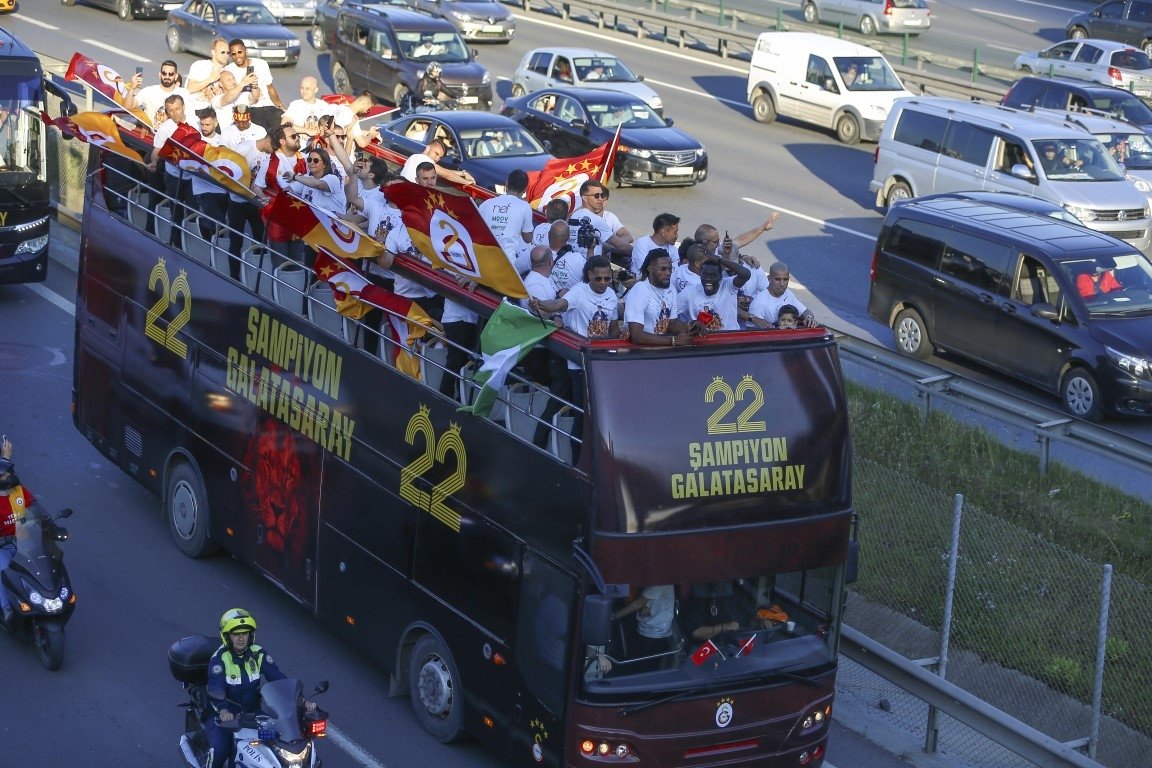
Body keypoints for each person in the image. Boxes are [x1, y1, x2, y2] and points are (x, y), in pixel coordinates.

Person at [528, 257, 620, 463]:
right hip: (574, 364)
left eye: (608, 278)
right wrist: (541, 304)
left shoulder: (612, 295)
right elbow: (557, 304)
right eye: (599, 278)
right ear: (589, 276)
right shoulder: (579, 291)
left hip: (598, 364)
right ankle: (565, 457)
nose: (604, 282)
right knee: (580, 414)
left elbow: (612, 329)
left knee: (593, 416)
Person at [204, 608, 313, 768]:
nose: (241, 638)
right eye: (236, 634)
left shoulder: (258, 654)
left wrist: (300, 701)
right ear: (228, 636)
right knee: (220, 750)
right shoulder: (220, 660)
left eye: (245, 633)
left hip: (253, 716)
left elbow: (278, 679)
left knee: (279, 739)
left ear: (251, 635)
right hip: (224, 719)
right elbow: (215, 688)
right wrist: (223, 710)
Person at [148, 94, 196, 247]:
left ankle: (192, 245)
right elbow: (157, 150)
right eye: (171, 110)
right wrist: (154, 162)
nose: (175, 113)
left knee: (192, 212)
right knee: (175, 211)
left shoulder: (196, 122)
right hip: (173, 176)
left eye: (177, 109)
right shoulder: (165, 128)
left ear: (183, 107)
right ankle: (175, 243)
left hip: (193, 178)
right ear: (167, 112)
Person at [623, 250, 693, 346]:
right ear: (650, 269)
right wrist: (672, 341)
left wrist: (690, 326)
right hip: (642, 352)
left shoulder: (671, 289)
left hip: (662, 349)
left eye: (670, 269)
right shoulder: (640, 290)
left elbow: (671, 324)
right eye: (662, 269)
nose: (668, 273)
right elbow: (636, 336)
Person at [677, 251, 751, 333]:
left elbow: (746, 274)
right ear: (700, 275)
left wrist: (719, 259)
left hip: (730, 340)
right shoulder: (689, 292)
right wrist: (690, 324)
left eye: (713, 275)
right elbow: (672, 317)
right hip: (702, 341)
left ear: (721, 277)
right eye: (705, 275)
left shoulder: (728, 286)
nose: (708, 279)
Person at [224, 40, 285, 135]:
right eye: (233, 54)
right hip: (250, 109)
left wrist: (280, 106)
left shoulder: (261, 64)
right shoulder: (229, 70)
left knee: (283, 129)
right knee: (265, 134)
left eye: (240, 52)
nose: (237, 56)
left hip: (268, 106)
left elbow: (270, 88)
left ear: (246, 51)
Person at [611, 585, 677, 671]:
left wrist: (613, 616)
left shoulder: (661, 583)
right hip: (645, 627)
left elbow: (639, 603)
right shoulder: (651, 580)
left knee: (647, 668)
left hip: (655, 633)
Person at [479, 170, 534, 267]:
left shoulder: (486, 204)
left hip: (482, 260)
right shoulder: (525, 207)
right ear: (526, 189)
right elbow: (528, 239)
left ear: (506, 183)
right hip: (506, 264)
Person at [0, 436, 28, 624]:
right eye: (5, 475)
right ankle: (7, 609)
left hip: (24, 541)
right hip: (3, 547)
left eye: (10, 473)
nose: (10, 476)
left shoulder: (17, 490)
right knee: (3, 569)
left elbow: (34, 506)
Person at [568, 180, 633, 258]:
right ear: (585, 198)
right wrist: (639, 253)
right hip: (589, 265)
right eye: (596, 196)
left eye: (602, 195)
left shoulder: (574, 215)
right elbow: (622, 247)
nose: (600, 199)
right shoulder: (596, 220)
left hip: (573, 262)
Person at [747, 261, 817, 328]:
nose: (782, 284)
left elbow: (805, 311)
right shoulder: (759, 303)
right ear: (769, 279)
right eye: (778, 279)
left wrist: (809, 317)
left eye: (785, 279)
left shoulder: (788, 294)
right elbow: (752, 332)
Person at [125, 60, 190, 128]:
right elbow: (128, 106)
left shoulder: (184, 93)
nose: (167, 77)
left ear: (176, 76)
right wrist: (132, 88)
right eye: (164, 73)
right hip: (151, 135)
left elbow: (190, 118)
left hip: (174, 136)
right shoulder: (149, 91)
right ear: (160, 75)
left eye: (171, 74)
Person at [399, 139, 475, 186]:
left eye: (440, 157)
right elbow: (447, 174)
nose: (437, 159)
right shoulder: (423, 159)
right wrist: (467, 182)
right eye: (436, 153)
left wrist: (463, 173)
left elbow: (442, 172)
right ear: (428, 148)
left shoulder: (414, 157)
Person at [630, 213, 680, 277]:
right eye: (675, 232)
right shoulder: (642, 243)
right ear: (663, 232)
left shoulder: (673, 249)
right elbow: (647, 271)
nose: (677, 235)